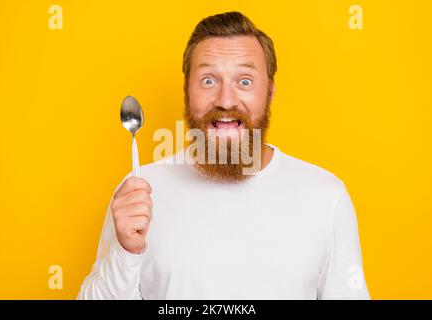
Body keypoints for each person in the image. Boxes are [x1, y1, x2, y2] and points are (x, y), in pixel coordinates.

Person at [77, 11, 370, 300]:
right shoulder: (139, 190)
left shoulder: (325, 197)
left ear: (269, 93)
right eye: (208, 80)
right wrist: (126, 251)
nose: (226, 100)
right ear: (186, 91)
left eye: (244, 81)